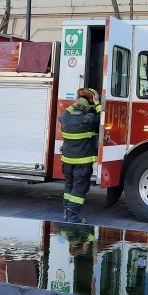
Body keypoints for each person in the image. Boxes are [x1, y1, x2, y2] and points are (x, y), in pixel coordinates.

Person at [60, 87, 101, 223]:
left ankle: (66, 213)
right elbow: (102, 117)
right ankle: (73, 216)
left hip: (67, 162)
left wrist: (75, 103)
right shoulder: (89, 119)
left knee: (69, 186)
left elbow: (66, 112)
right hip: (82, 163)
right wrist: (96, 103)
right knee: (79, 188)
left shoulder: (65, 119)